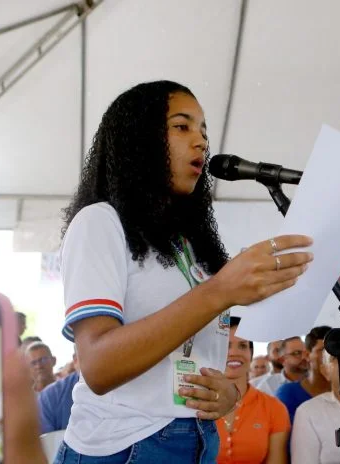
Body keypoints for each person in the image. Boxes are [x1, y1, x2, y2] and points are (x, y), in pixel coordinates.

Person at [56, 80, 313, 462]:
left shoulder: (188, 245)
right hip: (124, 447)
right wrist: (221, 290)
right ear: (139, 140)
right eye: (182, 126)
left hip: (197, 440)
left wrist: (228, 393)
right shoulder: (100, 222)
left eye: (204, 132)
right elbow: (98, 366)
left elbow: (190, 357)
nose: (201, 142)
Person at [215, 317, 290, 463]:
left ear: (251, 354)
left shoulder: (274, 408)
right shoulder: (194, 405)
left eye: (242, 346)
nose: (234, 352)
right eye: (225, 345)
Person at [276, 326, 331, 423]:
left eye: (333, 349)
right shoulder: (288, 393)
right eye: (323, 350)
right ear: (307, 355)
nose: (330, 355)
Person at [39, 350, 80, 433]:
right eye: (33, 363)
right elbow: (46, 438)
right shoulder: (50, 396)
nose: (38, 366)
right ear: (76, 360)